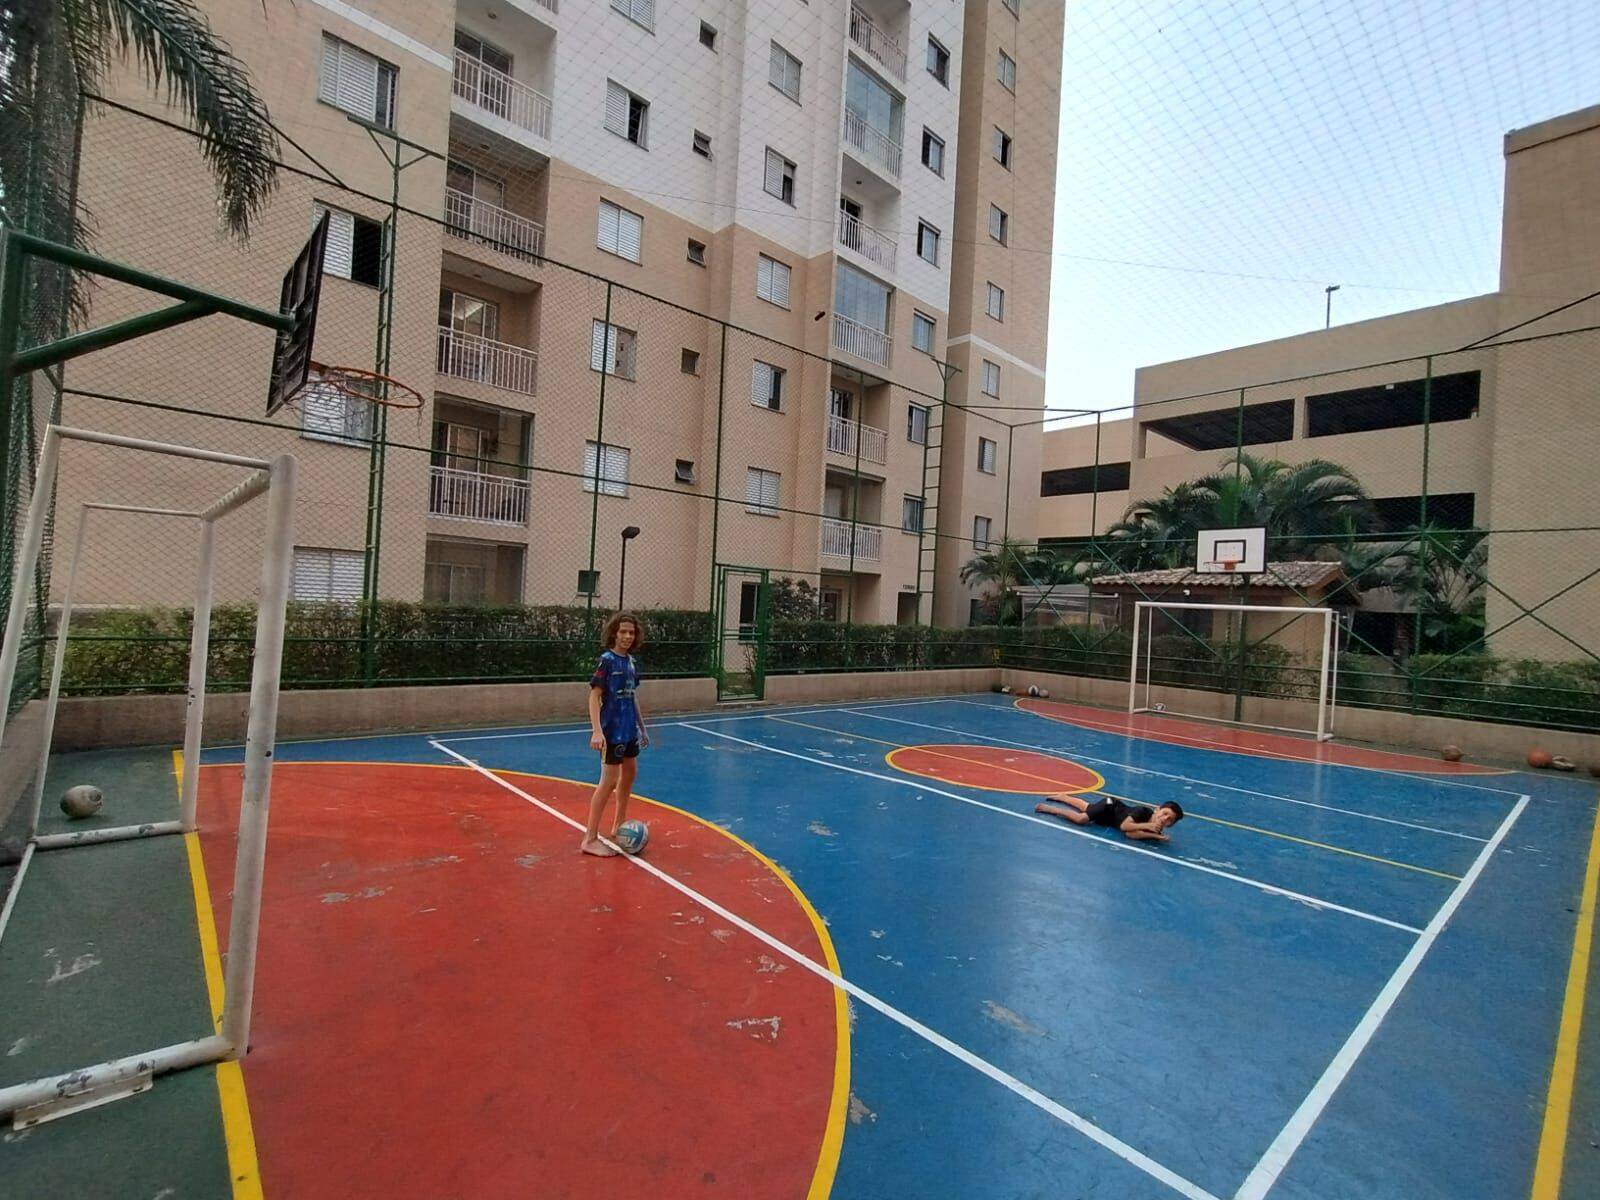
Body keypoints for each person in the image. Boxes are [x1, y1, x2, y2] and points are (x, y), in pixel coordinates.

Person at [581, 612, 649, 856]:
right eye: (623, 632)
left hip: (629, 730)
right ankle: (589, 838)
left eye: (631, 632)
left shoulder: (630, 662)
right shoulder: (607, 661)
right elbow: (594, 696)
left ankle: (618, 823)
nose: (627, 636)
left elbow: (632, 696)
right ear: (614, 633)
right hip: (612, 731)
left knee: (630, 774)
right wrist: (597, 731)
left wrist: (642, 727)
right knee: (608, 782)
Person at [1034, 792, 1183, 842]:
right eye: (1165, 814)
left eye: (1170, 820)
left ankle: (1064, 797)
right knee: (1081, 819)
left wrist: (1156, 836)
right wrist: (1147, 826)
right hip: (1111, 804)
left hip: (1109, 820)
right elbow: (1125, 826)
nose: (1165, 819)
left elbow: (1130, 834)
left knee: (1087, 807)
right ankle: (1052, 809)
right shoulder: (1143, 811)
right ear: (1157, 809)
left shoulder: (1156, 829)